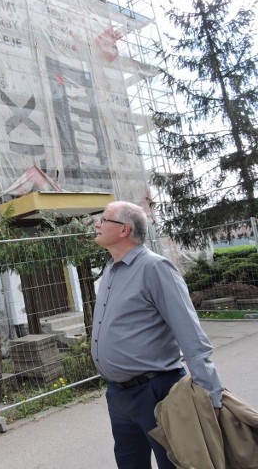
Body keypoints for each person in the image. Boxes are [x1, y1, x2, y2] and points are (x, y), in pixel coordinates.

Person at [90, 201, 224, 469]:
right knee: (129, 463)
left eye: (104, 219)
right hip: (118, 395)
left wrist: (211, 396)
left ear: (124, 229)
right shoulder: (109, 270)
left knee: (174, 463)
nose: (97, 224)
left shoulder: (155, 268)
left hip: (156, 391)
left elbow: (189, 332)